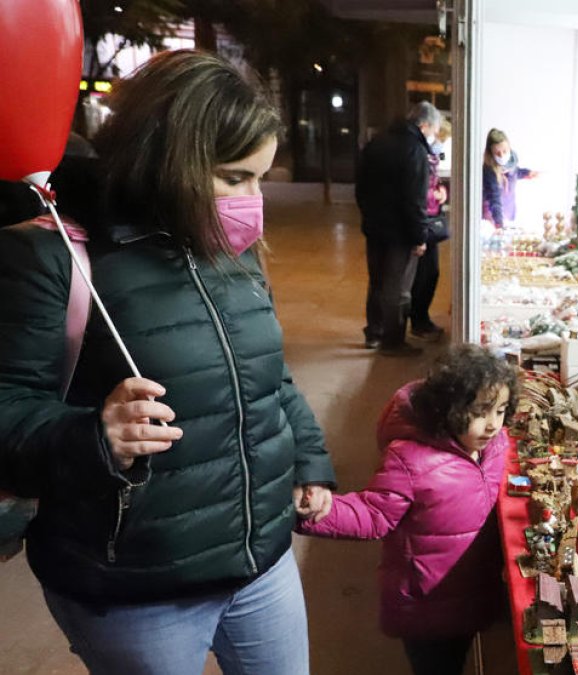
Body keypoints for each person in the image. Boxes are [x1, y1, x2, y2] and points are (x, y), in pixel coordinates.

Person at [0, 50, 336, 674]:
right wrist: (93, 435)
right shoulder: (53, 260)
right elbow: (7, 410)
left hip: (260, 561)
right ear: (168, 161)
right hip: (136, 589)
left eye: (261, 177)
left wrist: (310, 460)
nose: (252, 200)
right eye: (235, 177)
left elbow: (269, 376)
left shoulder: (229, 250)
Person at [297, 344, 517, 675]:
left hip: (473, 591)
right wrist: (315, 512)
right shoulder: (411, 459)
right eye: (480, 412)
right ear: (449, 408)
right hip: (426, 606)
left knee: (457, 658)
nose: (492, 425)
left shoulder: (496, 446)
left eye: (500, 411)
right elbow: (373, 514)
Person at [357, 101, 442, 355]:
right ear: (424, 125)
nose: (433, 136)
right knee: (399, 288)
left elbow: (360, 188)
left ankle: (374, 332)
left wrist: (369, 217)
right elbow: (414, 199)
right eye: (434, 131)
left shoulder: (378, 142)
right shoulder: (414, 149)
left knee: (377, 281)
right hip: (400, 232)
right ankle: (393, 343)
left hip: (374, 227)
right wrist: (419, 237)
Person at [409, 121, 451, 340]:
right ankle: (417, 321)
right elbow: (413, 191)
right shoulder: (416, 153)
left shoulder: (430, 155)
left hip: (429, 217)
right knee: (422, 275)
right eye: (438, 136)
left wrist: (441, 191)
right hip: (421, 221)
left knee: (430, 273)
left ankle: (421, 318)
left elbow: (432, 182)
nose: (439, 142)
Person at [482, 128, 537, 228]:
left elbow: (515, 172)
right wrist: (498, 223)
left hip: (509, 211)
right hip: (493, 216)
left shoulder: (511, 162)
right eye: (497, 153)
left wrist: (527, 173)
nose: (502, 155)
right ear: (491, 153)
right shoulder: (489, 171)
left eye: (504, 151)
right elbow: (494, 198)